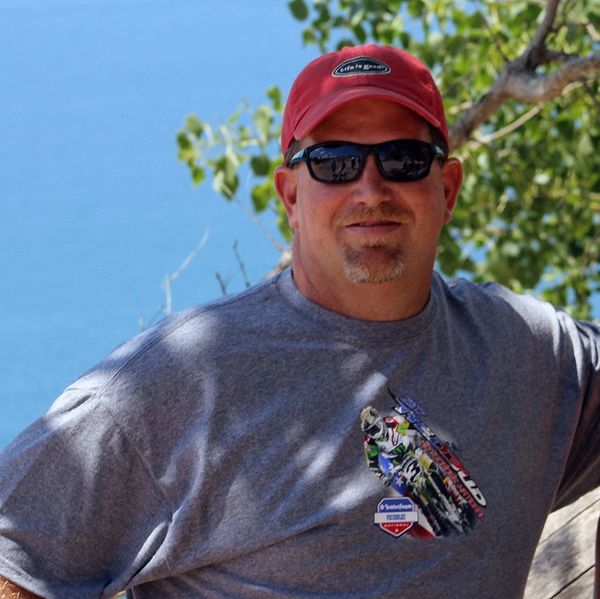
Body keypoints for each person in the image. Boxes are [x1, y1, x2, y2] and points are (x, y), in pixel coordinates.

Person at [0, 43, 598, 599]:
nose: (371, 188)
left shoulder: (529, 353)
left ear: (448, 188)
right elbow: (13, 553)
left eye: (403, 159)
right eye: (334, 163)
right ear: (290, 195)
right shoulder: (180, 382)